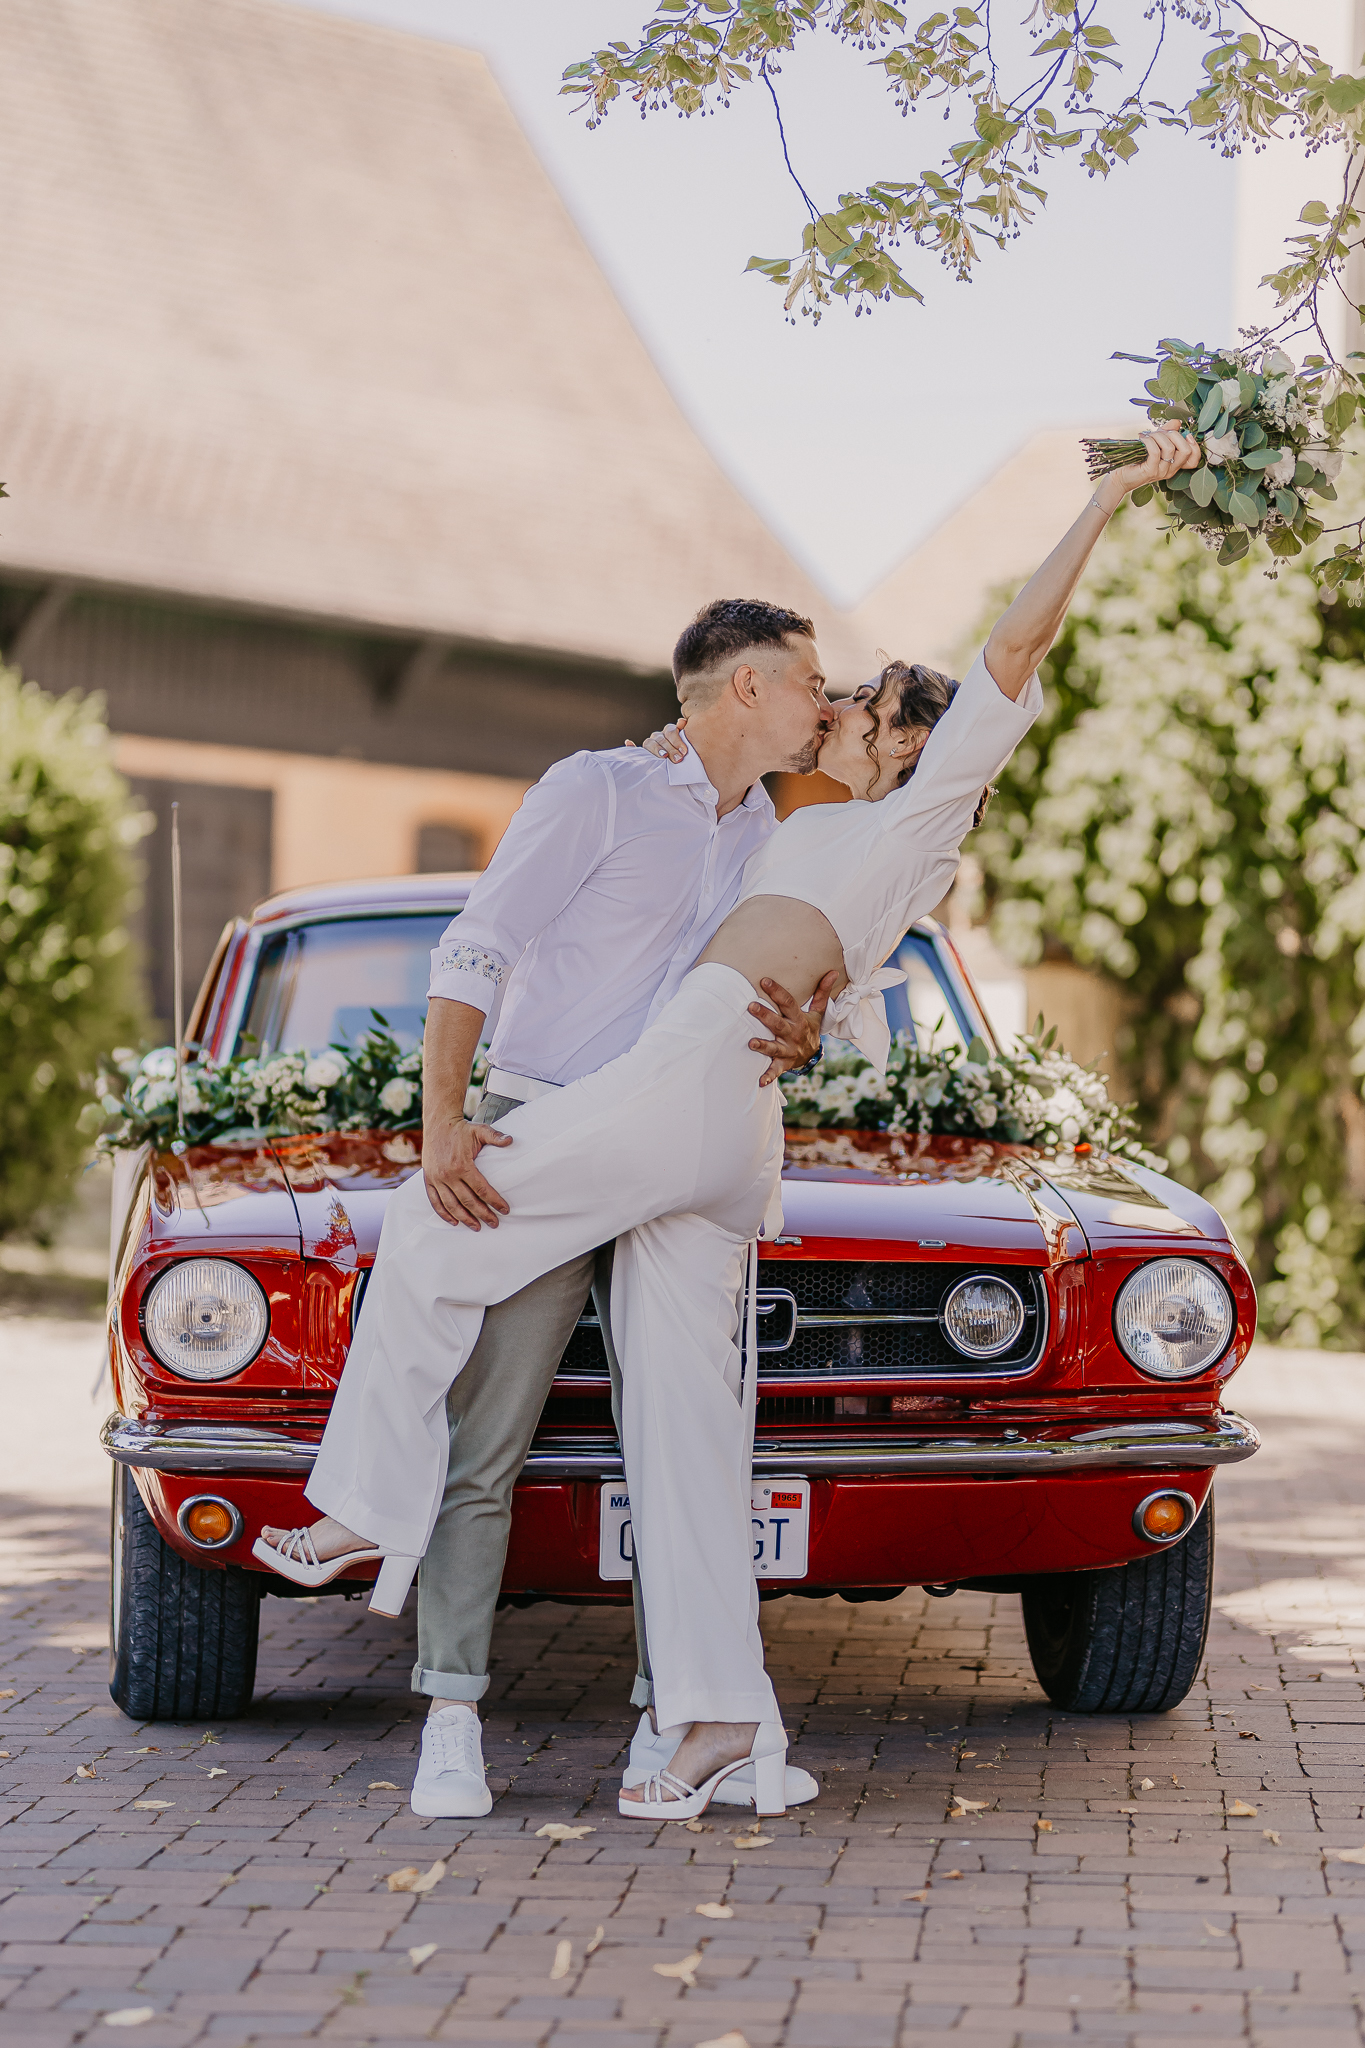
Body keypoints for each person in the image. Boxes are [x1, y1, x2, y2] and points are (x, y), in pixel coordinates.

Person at [257, 427, 1200, 1818]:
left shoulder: (920, 806)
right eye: (829, 688)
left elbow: (1015, 646)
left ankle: (358, 1508)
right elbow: (809, 962)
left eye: (863, 700)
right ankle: (718, 1727)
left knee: (436, 1229)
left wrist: (1106, 499)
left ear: (916, 744)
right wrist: (813, 1010)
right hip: (714, 1129)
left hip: (686, 1083)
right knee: (689, 1443)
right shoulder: (761, 816)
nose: (840, 705)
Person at [258, 598, 839, 1819]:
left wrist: (808, 1030)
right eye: (810, 680)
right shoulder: (597, 790)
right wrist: (445, 1122)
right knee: (490, 1436)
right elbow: (477, 947)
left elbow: (781, 982)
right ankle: (451, 1722)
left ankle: (670, 1721)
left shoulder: (770, 831)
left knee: (678, 1447)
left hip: (675, 1141)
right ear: (744, 686)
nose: (825, 702)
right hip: (544, 1123)